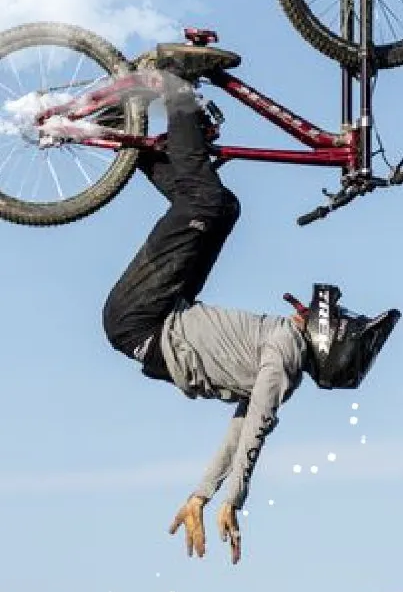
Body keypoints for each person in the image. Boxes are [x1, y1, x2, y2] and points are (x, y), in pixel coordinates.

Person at [102, 42, 400, 565]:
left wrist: (232, 497)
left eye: (343, 321)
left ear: (331, 341)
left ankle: (175, 84)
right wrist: (202, 493)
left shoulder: (283, 356)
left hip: (144, 319)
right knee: (225, 208)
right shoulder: (281, 366)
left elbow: (254, 430)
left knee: (206, 203)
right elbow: (239, 430)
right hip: (162, 315)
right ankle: (126, 135)